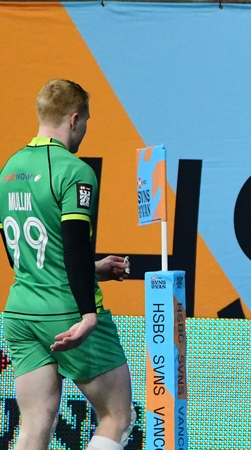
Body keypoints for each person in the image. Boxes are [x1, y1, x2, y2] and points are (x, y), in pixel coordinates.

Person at [0, 79, 135, 450]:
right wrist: (88, 315)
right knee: (118, 416)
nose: (85, 129)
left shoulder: (9, 170)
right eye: (86, 121)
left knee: (34, 425)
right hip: (67, 313)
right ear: (74, 119)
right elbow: (74, 249)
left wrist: (94, 269)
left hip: (21, 313)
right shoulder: (74, 171)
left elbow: (22, 255)